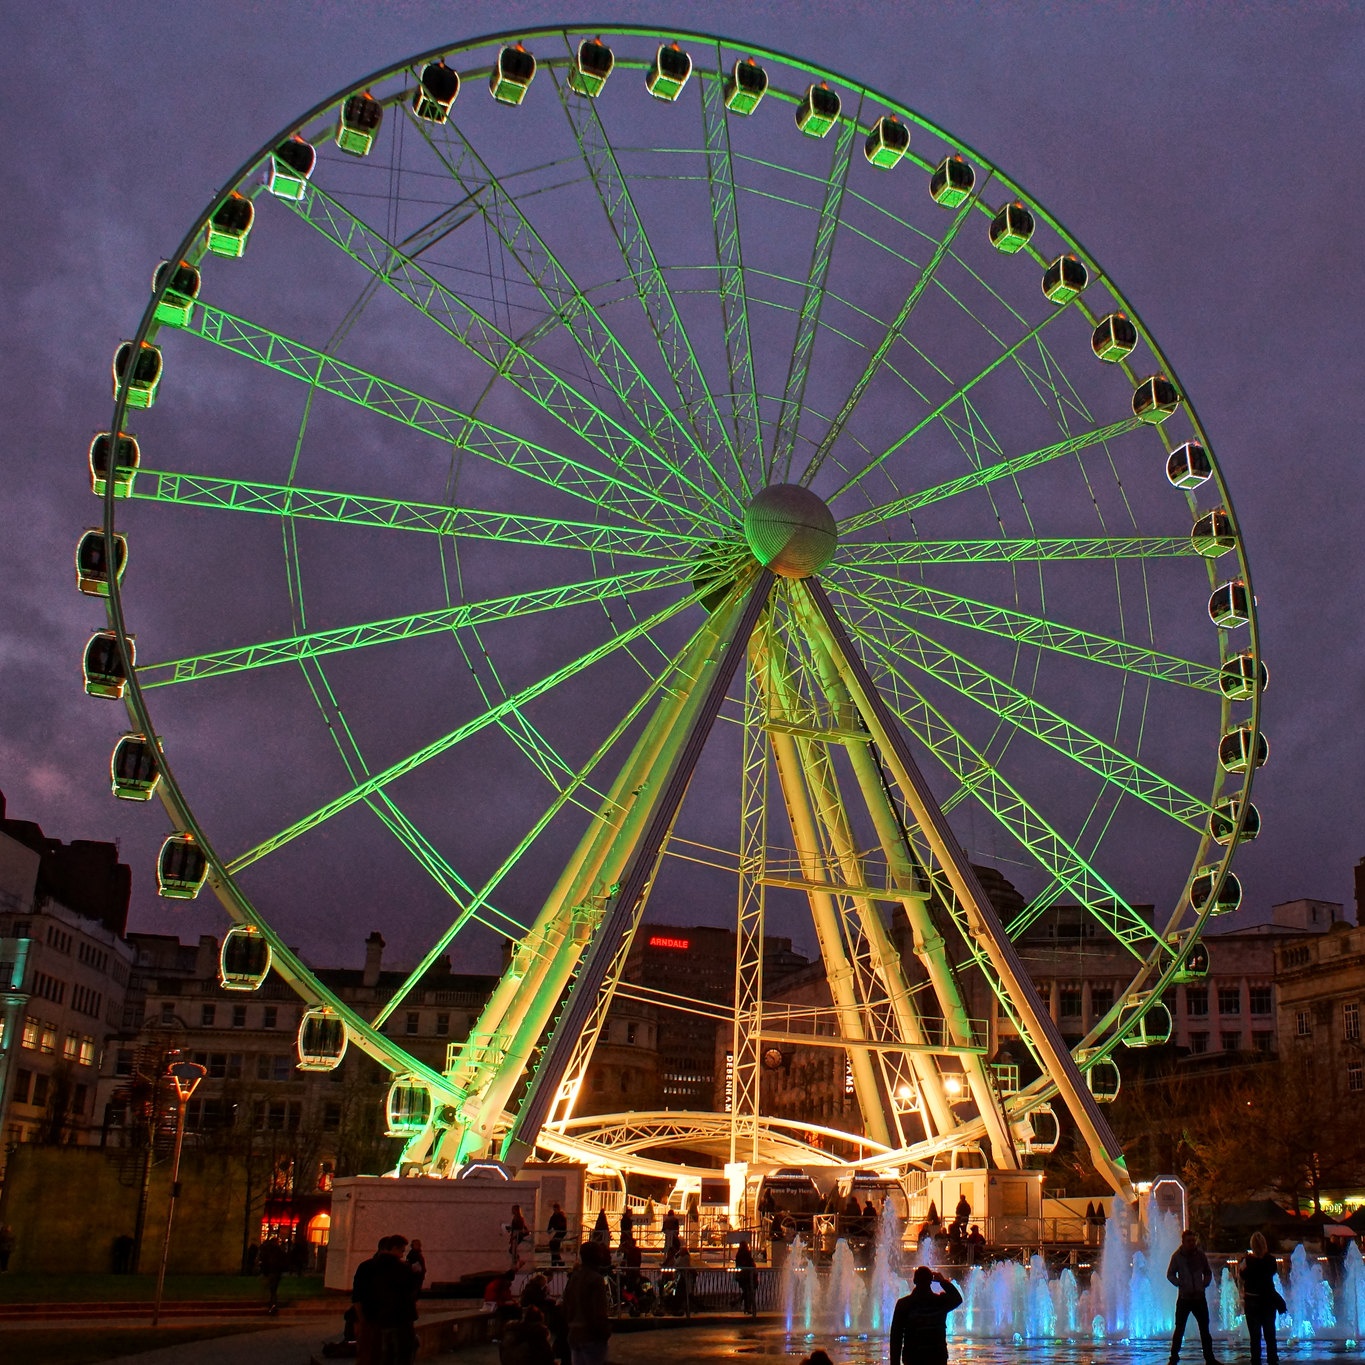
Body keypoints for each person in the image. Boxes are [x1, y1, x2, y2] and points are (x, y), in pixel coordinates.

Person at [353, 1235, 419, 1365]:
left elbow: (357, 1296)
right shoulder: (403, 1269)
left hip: (374, 1319)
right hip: (400, 1321)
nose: (401, 1255)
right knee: (400, 1355)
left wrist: (362, 1320)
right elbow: (411, 1292)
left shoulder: (365, 1267)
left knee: (373, 1356)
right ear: (393, 1248)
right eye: (401, 1251)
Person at [889, 1266, 963, 1365]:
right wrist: (942, 1281)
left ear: (914, 1280)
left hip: (914, 1357)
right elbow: (957, 1299)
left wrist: (894, 1362)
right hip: (936, 1357)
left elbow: (896, 1337)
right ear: (931, 1281)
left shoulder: (904, 1304)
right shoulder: (940, 1302)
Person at [1166, 1228, 1216, 1365]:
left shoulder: (1200, 1255)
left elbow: (1207, 1271)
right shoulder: (1177, 1257)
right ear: (1183, 1242)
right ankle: (1173, 1358)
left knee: (1205, 1330)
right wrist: (1180, 1283)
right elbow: (1170, 1274)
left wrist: (1205, 1283)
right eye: (1189, 1241)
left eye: (1193, 1241)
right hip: (1185, 1298)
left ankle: (1209, 1358)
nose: (1192, 1243)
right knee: (1179, 1329)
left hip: (1199, 1297)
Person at [561, 1241, 612, 1365]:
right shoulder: (595, 1279)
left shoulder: (575, 1277)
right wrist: (603, 1332)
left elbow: (566, 1304)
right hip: (591, 1335)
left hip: (575, 1333)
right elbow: (598, 1310)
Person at [1239, 1231, 1284, 1365]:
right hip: (1268, 1300)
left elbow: (1242, 1276)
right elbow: (1272, 1273)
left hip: (1252, 1301)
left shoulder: (1247, 1261)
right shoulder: (1271, 1260)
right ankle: (1272, 1358)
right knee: (1270, 1334)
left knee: (1255, 1335)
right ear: (1265, 1244)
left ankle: (1256, 1359)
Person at [259, 1234, 288, 1314]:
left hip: (270, 1272)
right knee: (273, 1290)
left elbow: (263, 1260)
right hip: (276, 1272)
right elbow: (284, 1261)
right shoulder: (279, 1251)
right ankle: (272, 1305)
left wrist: (263, 1271)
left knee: (270, 1289)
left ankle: (271, 1304)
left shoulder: (267, 1250)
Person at [734, 1238, 757, 1316]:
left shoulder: (739, 1254)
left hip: (742, 1276)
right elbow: (750, 1263)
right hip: (747, 1276)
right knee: (748, 1292)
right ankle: (747, 1307)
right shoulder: (747, 1254)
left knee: (746, 1292)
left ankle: (743, 1305)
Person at [548, 1202, 569, 1267]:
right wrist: (550, 1229)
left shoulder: (561, 1217)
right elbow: (549, 1226)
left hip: (561, 1232)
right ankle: (558, 1263)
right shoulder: (554, 1217)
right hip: (559, 1232)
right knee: (554, 1247)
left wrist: (554, 1227)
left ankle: (556, 1263)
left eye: (556, 1209)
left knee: (553, 1244)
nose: (555, 1211)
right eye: (554, 1210)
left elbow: (562, 1226)